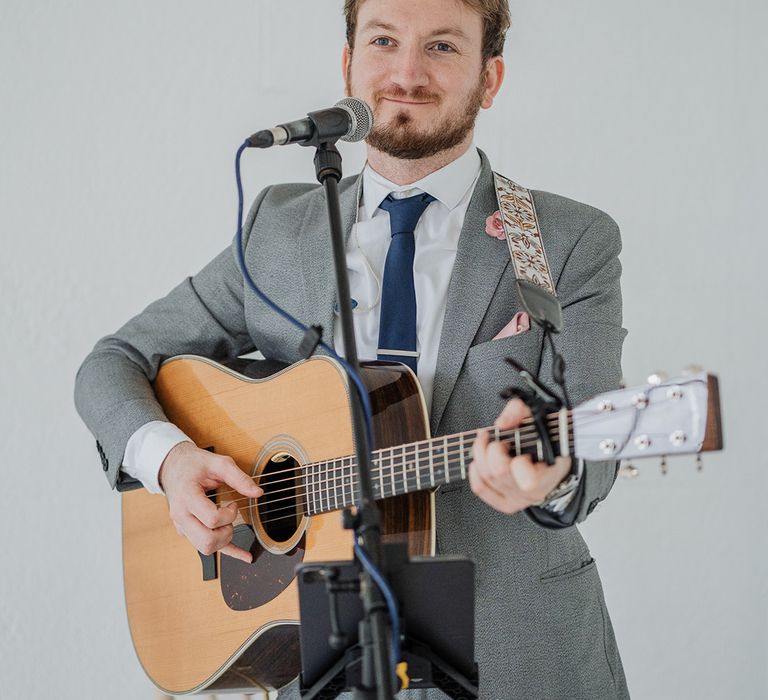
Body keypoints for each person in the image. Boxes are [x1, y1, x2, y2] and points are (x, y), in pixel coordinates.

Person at [75, 0, 630, 697]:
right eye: (384, 41)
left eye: (443, 48)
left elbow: (596, 435)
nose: (406, 72)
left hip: (519, 656)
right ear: (348, 64)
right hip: (317, 660)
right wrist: (171, 461)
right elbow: (114, 362)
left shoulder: (564, 239)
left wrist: (554, 475)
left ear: (490, 80)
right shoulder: (277, 231)